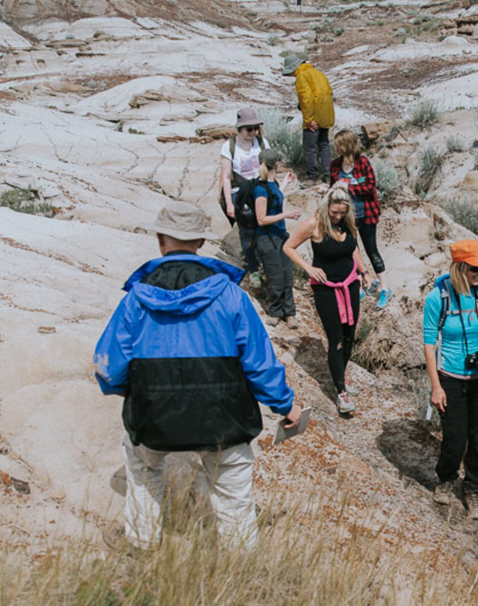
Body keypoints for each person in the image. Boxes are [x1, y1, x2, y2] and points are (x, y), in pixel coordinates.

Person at [93, 202, 302, 550]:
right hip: (225, 419)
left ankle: (143, 544)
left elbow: (108, 368)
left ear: (161, 241)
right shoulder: (232, 296)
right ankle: (239, 569)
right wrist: (287, 406)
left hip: (154, 419)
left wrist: (133, 390)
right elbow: (259, 364)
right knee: (234, 492)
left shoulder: (136, 300)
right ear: (201, 244)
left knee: (145, 472)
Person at [423, 240, 478, 520]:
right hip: (451, 378)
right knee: (455, 436)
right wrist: (436, 386)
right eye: (474, 268)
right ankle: (446, 479)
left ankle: (473, 488)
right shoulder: (438, 299)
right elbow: (429, 345)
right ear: (460, 268)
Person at [283, 182, 374, 414]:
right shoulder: (315, 224)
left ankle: (341, 375)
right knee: (336, 340)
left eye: (343, 213)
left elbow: (354, 248)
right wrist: (309, 269)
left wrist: (363, 272)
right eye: (335, 213)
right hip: (326, 289)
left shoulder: (347, 223)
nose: (338, 217)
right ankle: (340, 391)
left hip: (350, 284)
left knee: (350, 335)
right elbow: (289, 247)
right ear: (326, 208)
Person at [329, 129, 392, 309]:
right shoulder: (334, 165)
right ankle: (358, 285)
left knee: (371, 249)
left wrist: (347, 188)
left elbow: (371, 185)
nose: (336, 148)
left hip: (366, 213)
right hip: (345, 215)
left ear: (346, 145)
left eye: (338, 144)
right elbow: (332, 186)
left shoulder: (362, 163)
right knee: (350, 249)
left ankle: (384, 287)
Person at [252, 149, 302, 327]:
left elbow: (275, 197)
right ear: (277, 165)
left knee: (287, 275)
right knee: (276, 278)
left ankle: (289, 313)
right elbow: (261, 219)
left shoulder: (271, 184)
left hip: (280, 236)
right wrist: (286, 215)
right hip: (267, 238)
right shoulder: (260, 189)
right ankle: (275, 312)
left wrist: (285, 184)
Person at [219, 107, 269, 286]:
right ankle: (253, 269)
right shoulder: (229, 147)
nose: (253, 132)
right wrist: (230, 206)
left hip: (259, 191)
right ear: (240, 128)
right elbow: (225, 177)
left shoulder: (262, 143)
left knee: (263, 229)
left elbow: (269, 169)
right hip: (239, 194)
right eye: (249, 129)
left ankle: (265, 265)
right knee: (247, 233)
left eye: (256, 128)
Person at [281, 54, 334, 183]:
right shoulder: (318, 73)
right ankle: (328, 175)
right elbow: (329, 94)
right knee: (324, 145)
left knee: (309, 148)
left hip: (313, 118)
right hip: (326, 115)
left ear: (294, 68)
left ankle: (312, 176)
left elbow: (307, 99)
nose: (292, 75)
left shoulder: (302, 76)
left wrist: (309, 120)